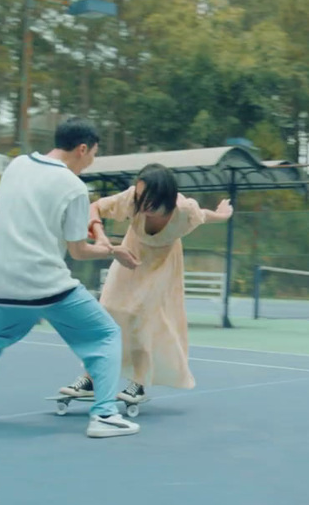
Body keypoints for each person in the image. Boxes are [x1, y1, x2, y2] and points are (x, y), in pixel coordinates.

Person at [0, 118, 143, 439]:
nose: (92, 161)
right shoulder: (74, 187)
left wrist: (100, 242)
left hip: (0, 286)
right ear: (82, 149)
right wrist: (112, 250)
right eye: (93, 154)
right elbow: (79, 252)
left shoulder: (16, 165)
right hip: (46, 288)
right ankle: (105, 415)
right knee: (105, 335)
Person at [58, 163, 233, 403]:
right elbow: (95, 207)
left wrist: (223, 214)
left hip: (162, 266)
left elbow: (206, 215)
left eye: (150, 198)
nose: (143, 203)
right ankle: (91, 377)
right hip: (129, 258)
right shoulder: (132, 199)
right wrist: (100, 234)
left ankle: (138, 384)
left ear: (167, 197)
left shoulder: (185, 211)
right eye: (141, 196)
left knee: (142, 318)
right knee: (107, 312)